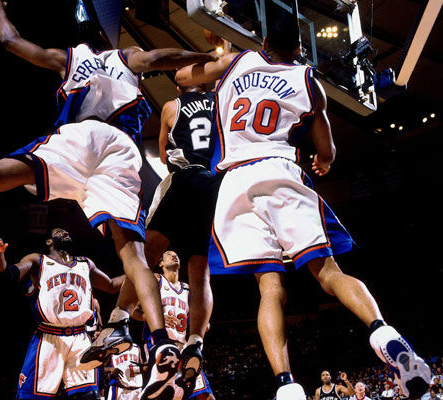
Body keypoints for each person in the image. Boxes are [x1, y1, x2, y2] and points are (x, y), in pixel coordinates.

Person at [0, 7, 215, 397]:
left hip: (79, 137)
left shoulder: (69, 58)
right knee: (133, 255)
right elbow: (166, 56)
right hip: (120, 149)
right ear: (105, 40)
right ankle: (161, 341)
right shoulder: (126, 57)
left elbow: (11, 41)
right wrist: (209, 57)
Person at [174, 14, 431, 400]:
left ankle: (286, 385)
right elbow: (328, 151)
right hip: (280, 170)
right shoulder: (307, 79)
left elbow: (182, 78)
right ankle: (383, 333)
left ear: (264, 42)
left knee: (269, 288)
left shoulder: (236, 62)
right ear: (298, 47)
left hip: (235, 181)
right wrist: (323, 162)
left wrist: (216, 56)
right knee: (328, 272)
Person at [0, 228, 124, 399]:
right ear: (49, 242)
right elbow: (9, 274)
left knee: (88, 395)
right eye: (59, 232)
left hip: (80, 337)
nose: (65, 233)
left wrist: (137, 273)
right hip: (49, 336)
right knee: (31, 396)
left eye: (67, 232)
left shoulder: (85, 263)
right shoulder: (38, 260)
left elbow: (110, 285)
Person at [144, 84, 221, 391]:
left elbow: (164, 155)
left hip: (184, 177)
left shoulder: (172, 106)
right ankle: (196, 342)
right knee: (201, 272)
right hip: (214, 183)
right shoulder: (220, 101)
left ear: (178, 85)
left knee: (143, 256)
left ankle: (118, 320)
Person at [133, 251, 215, 400]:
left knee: (205, 395)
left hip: (184, 346)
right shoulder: (156, 280)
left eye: (176, 254)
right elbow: (134, 310)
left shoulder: (187, 289)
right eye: (169, 254)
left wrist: (203, 325)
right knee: (163, 394)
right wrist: (154, 317)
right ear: (161, 263)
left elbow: (200, 317)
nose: (174, 256)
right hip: (160, 344)